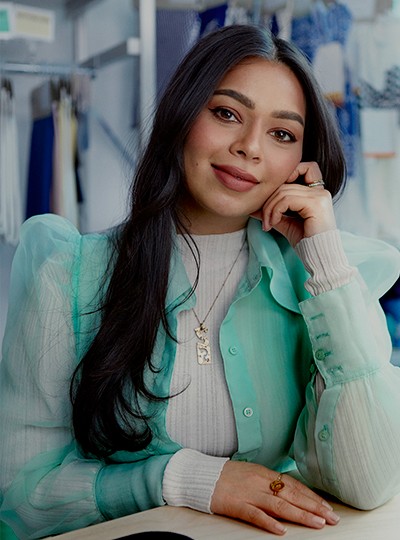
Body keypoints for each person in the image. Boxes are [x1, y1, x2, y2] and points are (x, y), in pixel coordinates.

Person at [1, 24, 400, 539]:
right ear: (183, 116)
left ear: (303, 163)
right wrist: (189, 479)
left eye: (282, 133)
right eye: (226, 113)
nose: (250, 148)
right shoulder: (67, 278)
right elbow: (20, 497)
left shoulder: (320, 283)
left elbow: (371, 482)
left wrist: (322, 254)